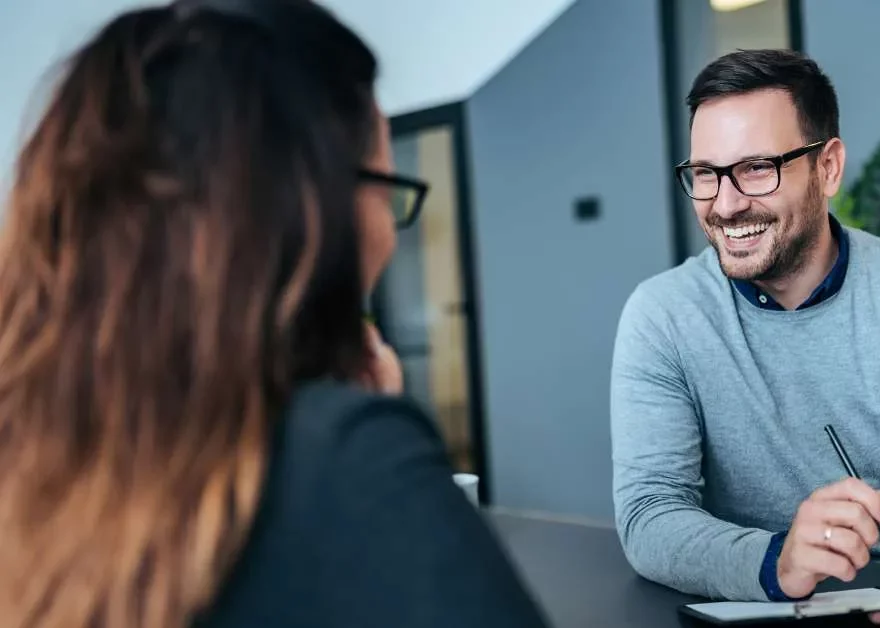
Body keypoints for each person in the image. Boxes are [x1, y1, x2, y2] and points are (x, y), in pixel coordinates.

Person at [0, 1, 549, 627]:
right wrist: (362, 429)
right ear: (309, 215)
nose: (390, 240)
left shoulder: (34, 455)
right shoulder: (344, 459)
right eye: (387, 188)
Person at [611, 49, 880, 627]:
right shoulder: (663, 315)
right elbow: (650, 515)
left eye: (759, 166)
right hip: (753, 607)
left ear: (828, 167)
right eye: (707, 174)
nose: (727, 203)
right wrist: (775, 560)